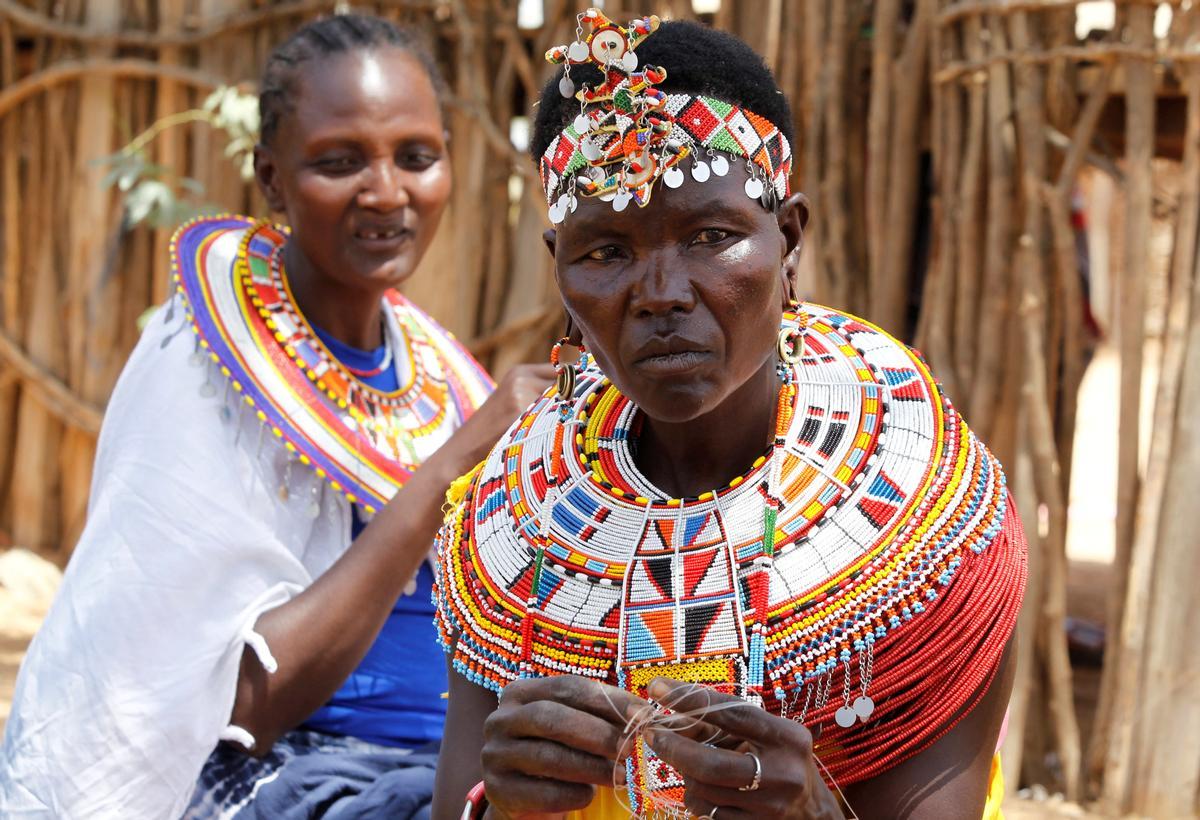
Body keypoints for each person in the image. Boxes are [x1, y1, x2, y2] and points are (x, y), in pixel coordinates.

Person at [432, 12, 1024, 820]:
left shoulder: (932, 533)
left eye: (711, 236)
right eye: (606, 251)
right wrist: (498, 807)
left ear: (788, 242)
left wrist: (814, 812)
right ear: (559, 274)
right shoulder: (508, 539)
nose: (662, 293)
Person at [0, 14, 552, 819]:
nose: (387, 192)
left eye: (416, 158)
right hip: (303, 776)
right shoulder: (204, 361)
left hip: (459, 768)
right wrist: (449, 469)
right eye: (338, 162)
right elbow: (234, 707)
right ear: (270, 177)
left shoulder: (438, 371)